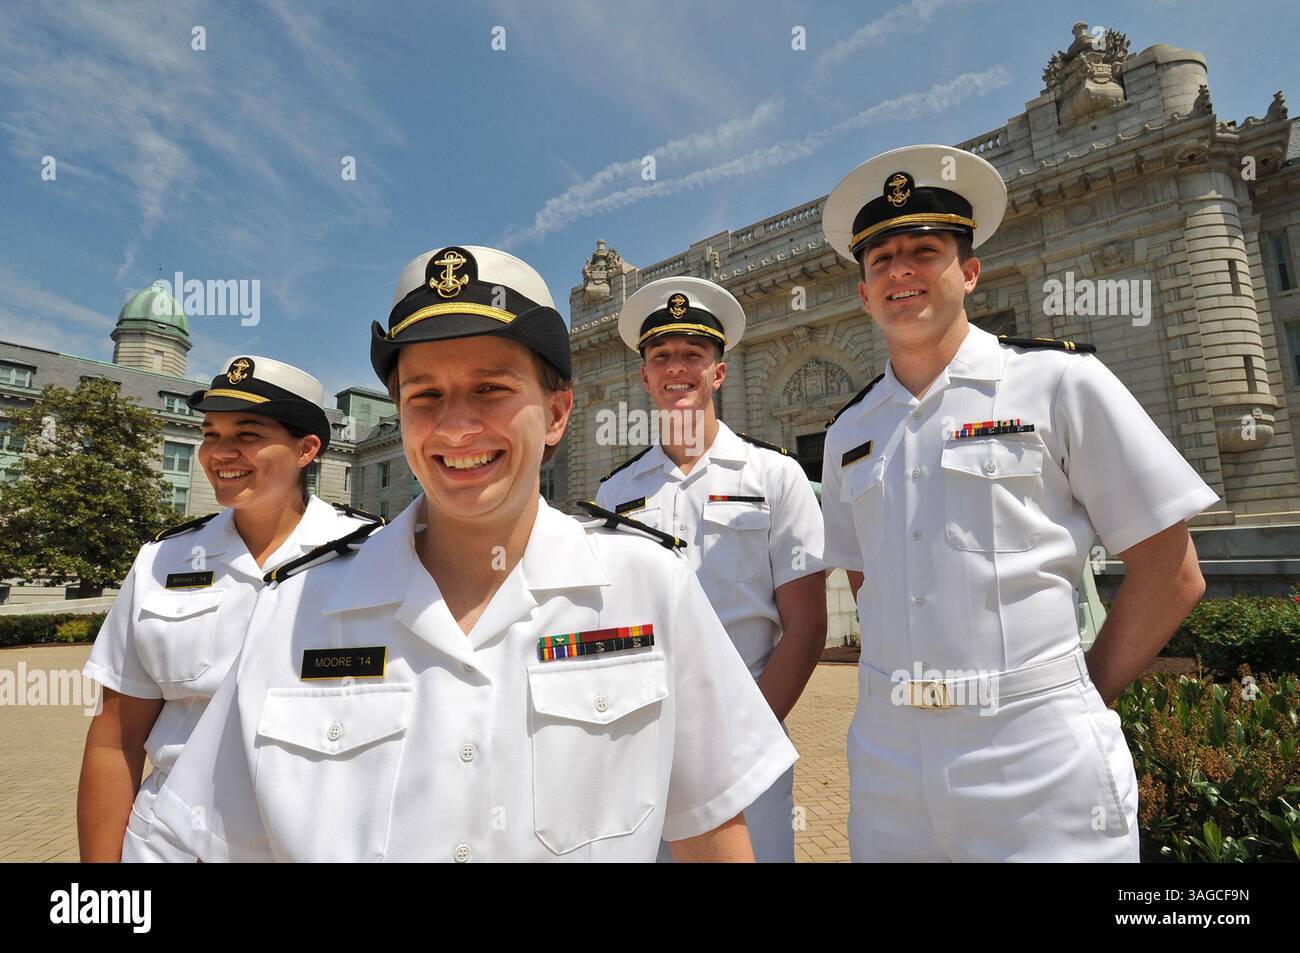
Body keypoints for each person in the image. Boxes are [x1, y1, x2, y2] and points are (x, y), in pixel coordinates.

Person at [151, 245, 797, 862]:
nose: (456, 426)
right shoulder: (291, 612)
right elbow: (223, 844)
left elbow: (712, 836)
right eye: (425, 395)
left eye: (490, 388)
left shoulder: (650, 589)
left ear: (557, 412)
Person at [819, 145, 1216, 861]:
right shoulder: (849, 432)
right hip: (887, 759)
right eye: (880, 260)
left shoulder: (1060, 383)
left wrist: (1075, 692)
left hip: (1038, 757)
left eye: (924, 250)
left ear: (968, 272)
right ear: (863, 291)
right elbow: (867, 581)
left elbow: (1173, 570)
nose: (900, 270)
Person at [78, 356, 382, 862]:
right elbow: (115, 740)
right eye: (211, 434)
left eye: (246, 433)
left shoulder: (377, 555)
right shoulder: (163, 559)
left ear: (307, 448)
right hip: (171, 847)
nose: (221, 453)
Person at [595, 276, 826, 862]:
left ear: (718, 371)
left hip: (747, 746)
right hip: (640, 750)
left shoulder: (775, 477)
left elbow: (805, 624)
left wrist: (746, 738)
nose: (678, 369)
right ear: (644, 375)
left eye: (693, 355)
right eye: (661, 356)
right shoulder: (614, 493)